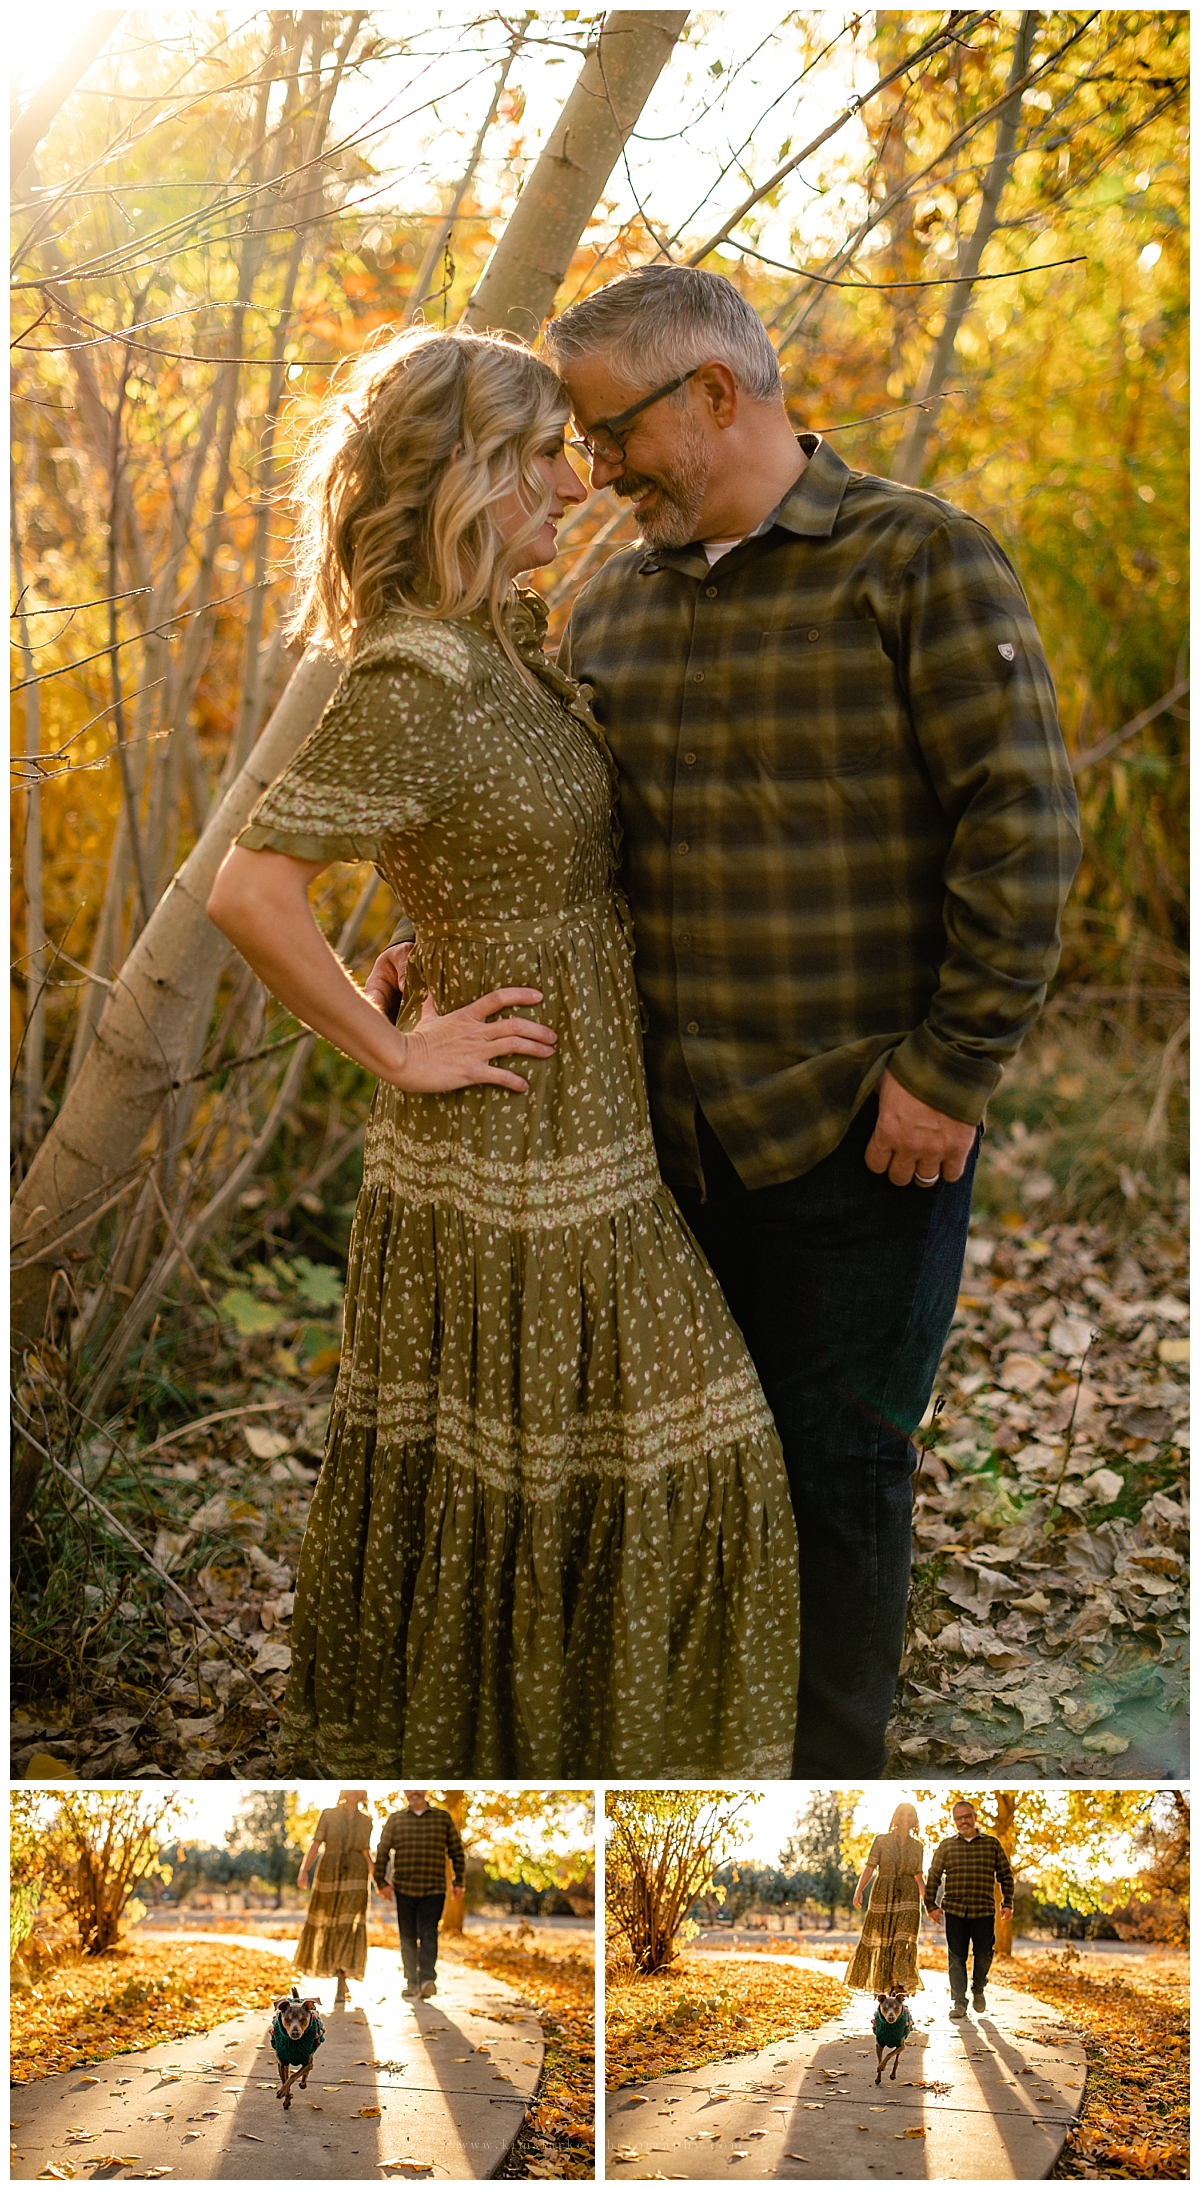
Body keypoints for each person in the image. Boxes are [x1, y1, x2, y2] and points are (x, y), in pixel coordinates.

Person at [206, 324, 800, 1778]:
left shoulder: (498, 651)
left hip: (593, 1129)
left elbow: (473, 843)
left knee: (627, 1471)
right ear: (467, 474)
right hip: (510, 1145)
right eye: (542, 455)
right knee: (622, 1469)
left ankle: (568, 1752)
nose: (575, 484)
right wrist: (391, 1048)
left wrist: (435, 927)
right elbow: (249, 892)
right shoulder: (417, 671)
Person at [545, 265, 1081, 1775]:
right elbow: (566, 837)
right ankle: (705, 1740)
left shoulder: (917, 561)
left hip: (866, 1130)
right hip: (665, 1142)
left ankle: (825, 1773)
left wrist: (951, 1069)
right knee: (695, 1471)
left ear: (716, 393)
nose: (596, 474)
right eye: (579, 449)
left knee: (839, 1472)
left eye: (611, 433)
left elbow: (1024, 831)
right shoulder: (613, 607)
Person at [924, 1799, 1015, 2017]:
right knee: (956, 1958)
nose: (964, 1821)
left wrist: (1007, 1902)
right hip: (955, 1911)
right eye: (959, 1818)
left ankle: (978, 1988)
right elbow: (934, 1876)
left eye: (967, 1816)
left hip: (983, 1910)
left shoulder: (991, 1844)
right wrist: (930, 1905)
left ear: (975, 1817)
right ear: (954, 1821)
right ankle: (959, 2003)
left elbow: (1005, 1875)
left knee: (984, 1955)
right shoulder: (946, 1846)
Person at [374, 1788, 465, 2000]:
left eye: (418, 1788)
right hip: (404, 1888)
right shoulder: (396, 1820)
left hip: (434, 1888)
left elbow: (456, 1850)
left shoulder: (442, 1818)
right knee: (407, 1936)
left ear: (425, 1790)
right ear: (405, 1792)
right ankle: (411, 1982)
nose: (414, 1791)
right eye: (410, 1788)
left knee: (428, 1933)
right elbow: (382, 1850)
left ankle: (427, 1980)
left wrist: (459, 1880)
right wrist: (381, 1882)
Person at [294, 1787, 374, 2006]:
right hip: (329, 1873)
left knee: (348, 1926)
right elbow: (316, 1844)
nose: (355, 1791)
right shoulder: (328, 1814)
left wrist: (379, 1882)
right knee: (328, 1924)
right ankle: (340, 1975)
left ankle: (341, 1979)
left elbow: (367, 1853)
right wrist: (303, 1871)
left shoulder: (367, 1821)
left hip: (356, 1878)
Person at [844, 1801, 925, 1995]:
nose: (905, 1818)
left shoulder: (917, 1846)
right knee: (883, 1941)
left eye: (910, 1815)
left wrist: (929, 1903)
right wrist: (858, 1891)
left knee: (902, 1941)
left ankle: (900, 1985)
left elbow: (919, 1876)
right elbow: (870, 1868)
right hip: (883, 1894)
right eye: (902, 1814)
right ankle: (883, 1987)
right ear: (895, 1817)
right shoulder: (881, 1841)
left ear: (914, 1820)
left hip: (909, 1897)